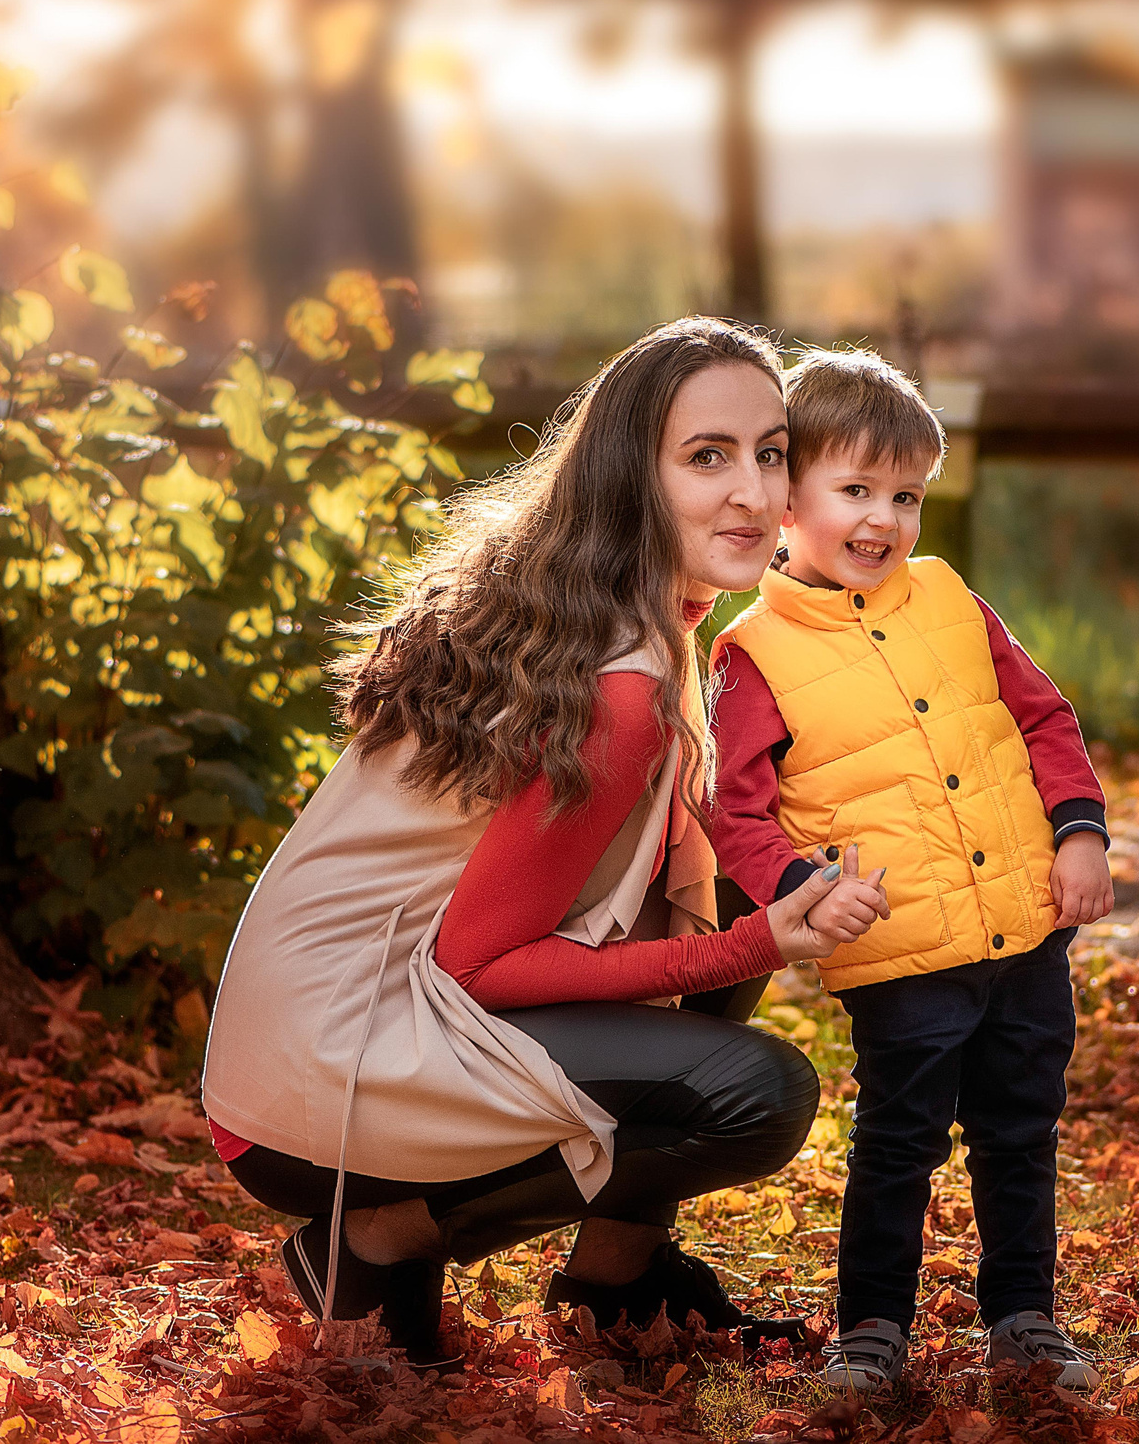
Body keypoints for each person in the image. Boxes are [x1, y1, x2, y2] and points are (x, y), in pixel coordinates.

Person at [201, 318, 894, 1366]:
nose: (754, 493)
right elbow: (478, 965)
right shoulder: (617, 690)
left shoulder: (595, 611)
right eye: (707, 458)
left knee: (750, 846)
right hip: (315, 1082)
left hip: (337, 1036)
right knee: (757, 1094)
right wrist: (755, 952)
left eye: (770, 454)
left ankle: (613, 1281)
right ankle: (381, 1238)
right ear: (630, 480)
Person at [706, 347, 1117, 1394]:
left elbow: (1043, 717)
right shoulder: (754, 654)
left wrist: (1079, 833)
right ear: (786, 500)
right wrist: (803, 888)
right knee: (898, 1143)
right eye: (854, 491)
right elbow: (732, 811)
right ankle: (871, 1328)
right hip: (897, 951)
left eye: (906, 495)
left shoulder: (947, 598)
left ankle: (1024, 1318)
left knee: (1020, 1132)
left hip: (1024, 931)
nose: (882, 520)